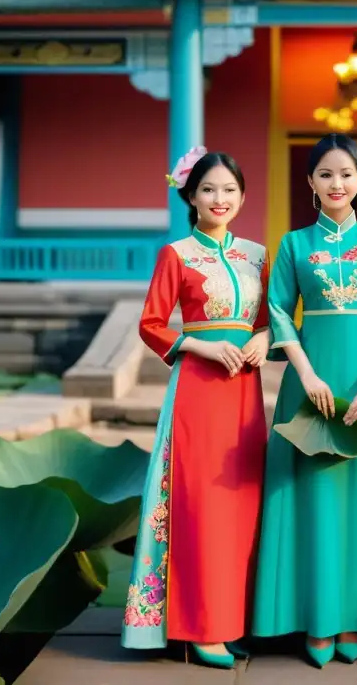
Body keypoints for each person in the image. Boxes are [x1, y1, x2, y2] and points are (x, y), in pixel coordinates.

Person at [252, 132, 357, 667]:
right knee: (311, 495)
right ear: (310, 182)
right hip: (308, 381)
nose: (335, 183)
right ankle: (315, 620)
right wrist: (307, 375)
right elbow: (276, 312)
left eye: (346, 174)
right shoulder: (294, 244)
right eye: (325, 174)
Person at [122, 147, 270, 669]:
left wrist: (265, 338)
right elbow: (151, 323)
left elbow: (270, 317)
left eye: (229, 189)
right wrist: (200, 345)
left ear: (243, 196)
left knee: (241, 505)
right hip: (199, 390)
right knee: (199, 504)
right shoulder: (177, 254)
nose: (220, 198)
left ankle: (231, 622)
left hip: (245, 393)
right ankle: (199, 626)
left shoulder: (256, 255)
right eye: (209, 189)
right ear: (190, 196)